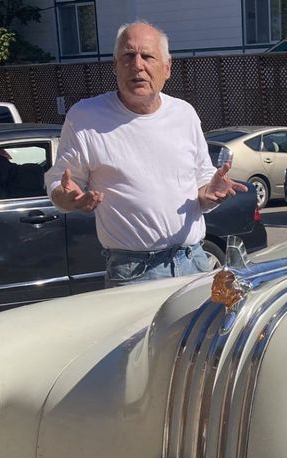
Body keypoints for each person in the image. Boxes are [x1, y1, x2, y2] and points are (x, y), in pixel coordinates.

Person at [44, 21, 247, 287]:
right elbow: (59, 185)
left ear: (167, 68)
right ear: (115, 66)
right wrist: (69, 199)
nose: (137, 65)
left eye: (147, 56)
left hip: (194, 261)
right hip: (132, 271)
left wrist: (210, 193)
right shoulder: (85, 117)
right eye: (128, 56)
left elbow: (201, 184)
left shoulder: (184, 114)